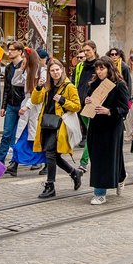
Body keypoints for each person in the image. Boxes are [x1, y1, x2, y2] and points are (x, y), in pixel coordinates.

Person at [31, 58, 84, 199]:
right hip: (46, 124)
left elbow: (77, 106)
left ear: (62, 70)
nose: (55, 73)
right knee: (54, 155)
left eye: (57, 70)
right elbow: (35, 101)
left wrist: (62, 100)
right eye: (52, 70)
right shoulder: (47, 86)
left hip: (59, 125)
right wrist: (37, 88)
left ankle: (50, 185)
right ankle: (74, 172)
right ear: (49, 72)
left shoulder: (69, 86)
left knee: (50, 154)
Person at [84, 57, 129, 204]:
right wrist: (87, 100)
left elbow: (124, 108)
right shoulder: (95, 83)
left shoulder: (119, 85)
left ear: (109, 68)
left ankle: (99, 193)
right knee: (97, 155)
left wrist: (109, 111)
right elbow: (89, 98)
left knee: (104, 158)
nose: (99, 71)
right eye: (97, 69)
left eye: (102, 68)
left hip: (111, 126)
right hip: (96, 124)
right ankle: (121, 175)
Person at [10, 47, 46, 176]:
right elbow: (15, 82)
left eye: (25, 57)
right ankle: (14, 164)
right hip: (27, 106)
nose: (23, 59)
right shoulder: (27, 70)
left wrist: (27, 106)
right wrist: (20, 70)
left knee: (34, 137)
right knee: (21, 137)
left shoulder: (41, 71)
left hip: (35, 107)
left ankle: (44, 162)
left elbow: (38, 93)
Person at [0, 41, 26, 168]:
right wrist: (3, 106)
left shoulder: (25, 66)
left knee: (19, 135)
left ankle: (15, 162)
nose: (9, 52)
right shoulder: (9, 67)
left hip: (23, 105)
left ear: (20, 51)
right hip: (11, 104)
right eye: (9, 49)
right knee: (6, 134)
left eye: (12, 50)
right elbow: (7, 88)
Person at [74, 40, 99, 168]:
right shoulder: (80, 66)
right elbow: (75, 84)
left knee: (91, 133)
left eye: (88, 50)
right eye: (84, 51)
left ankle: (84, 162)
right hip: (80, 103)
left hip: (93, 104)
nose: (86, 53)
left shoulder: (100, 65)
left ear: (94, 50)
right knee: (93, 133)